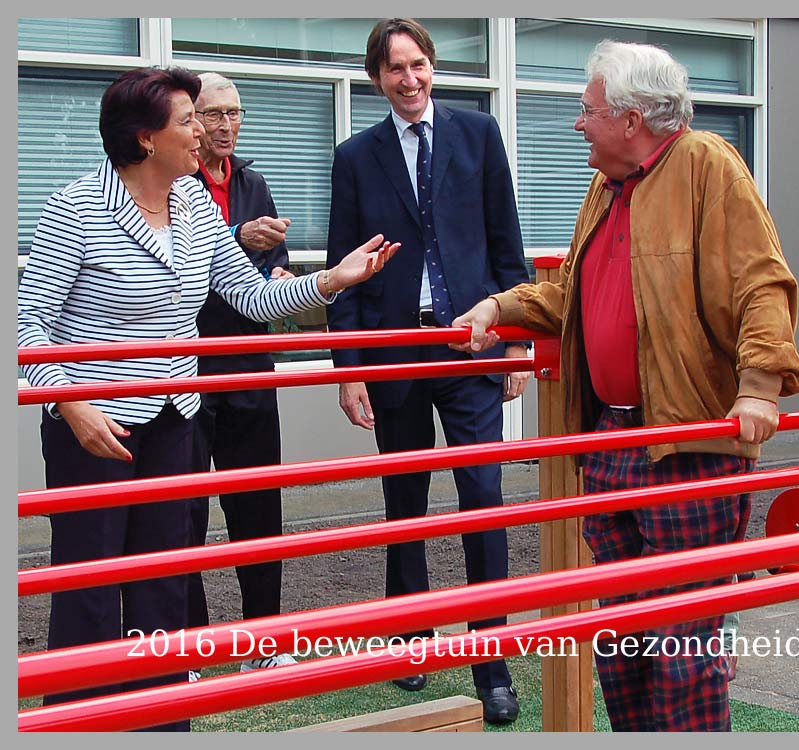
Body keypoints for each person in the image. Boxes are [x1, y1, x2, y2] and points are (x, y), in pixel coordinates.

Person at [16, 66, 397, 730]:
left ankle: (164, 723)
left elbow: (249, 296)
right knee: (91, 586)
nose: (205, 131)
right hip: (93, 428)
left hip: (174, 419)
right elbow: (29, 326)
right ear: (144, 138)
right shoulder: (76, 207)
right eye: (189, 120)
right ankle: (81, 722)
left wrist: (332, 280)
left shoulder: (193, 203)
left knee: (164, 581)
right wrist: (70, 403)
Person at [453, 40, 799, 732]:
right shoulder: (608, 186)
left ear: (631, 119)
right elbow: (573, 294)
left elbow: (762, 282)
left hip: (685, 439)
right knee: (619, 635)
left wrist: (761, 384)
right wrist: (501, 307)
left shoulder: (707, 166)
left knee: (681, 640)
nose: (577, 124)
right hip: (612, 436)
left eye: (587, 111)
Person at [324, 18, 529, 724]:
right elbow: (346, 276)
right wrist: (347, 369)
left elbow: (509, 246)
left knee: (483, 498)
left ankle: (491, 662)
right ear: (376, 77)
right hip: (393, 351)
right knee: (404, 503)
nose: (409, 81)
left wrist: (514, 343)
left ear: (432, 67)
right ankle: (411, 640)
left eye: (418, 66)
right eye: (394, 70)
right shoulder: (355, 157)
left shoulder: (479, 135)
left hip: (471, 348)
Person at [184, 72, 298, 677]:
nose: (225, 125)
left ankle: (265, 637)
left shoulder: (254, 182)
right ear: (189, 119)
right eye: (213, 114)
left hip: (250, 365)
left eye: (235, 112)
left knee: (258, 508)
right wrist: (235, 238)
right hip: (186, 369)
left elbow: (273, 265)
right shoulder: (173, 186)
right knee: (186, 513)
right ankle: (192, 644)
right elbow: (185, 263)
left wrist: (281, 277)